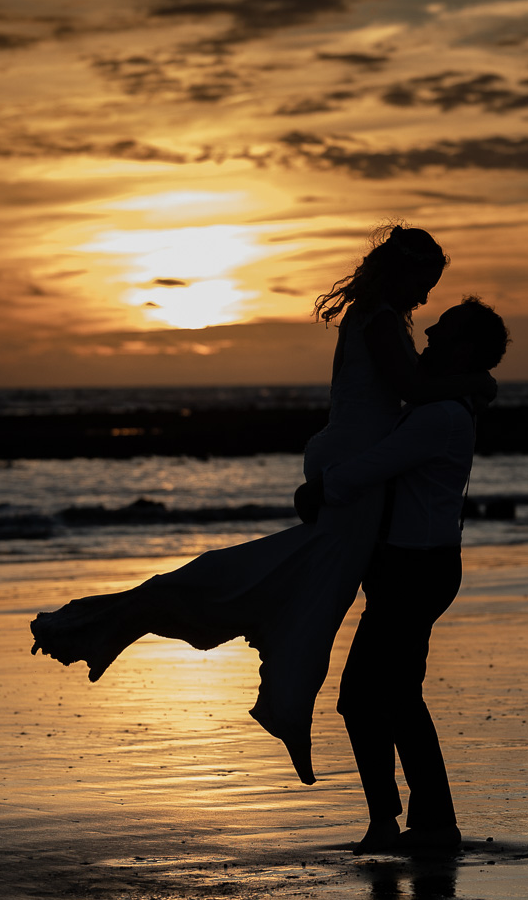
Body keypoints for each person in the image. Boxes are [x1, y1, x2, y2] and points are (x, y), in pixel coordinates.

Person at [29, 224, 495, 785]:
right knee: (303, 592)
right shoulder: (380, 323)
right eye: (424, 284)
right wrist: (477, 384)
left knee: (309, 590)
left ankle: (263, 694)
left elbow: (394, 397)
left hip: (344, 464)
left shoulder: (373, 318)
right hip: (353, 473)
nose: (425, 300)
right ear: (401, 273)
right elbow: (414, 391)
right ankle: (270, 699)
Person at [295, 298, 510, 856]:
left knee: (368, 699)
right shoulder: (442, 406)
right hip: (414, 567)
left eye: (445, 331)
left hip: (416, 569)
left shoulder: (439, 415)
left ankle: (410, 822)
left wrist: (319, 488)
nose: (430, 331)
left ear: (462, 348)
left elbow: (373, 466)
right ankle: (412, 822)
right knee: (392, 696)